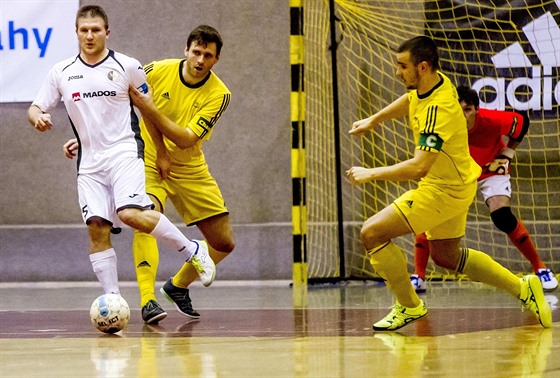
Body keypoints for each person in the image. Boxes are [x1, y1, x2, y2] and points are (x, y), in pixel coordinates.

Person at [346, 35, 551, 331]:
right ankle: (524, 289)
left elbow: (418, 167)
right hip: (458, 184)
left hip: (441, 191)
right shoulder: (436, 82)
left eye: (403, 67)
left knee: (372, 234)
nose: (398, 72)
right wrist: (374, 120)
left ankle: (408, 305)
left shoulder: (438, 111)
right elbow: (411, 99)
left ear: (423, 67)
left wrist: (371, 173)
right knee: (446, 256)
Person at [28, 5, 216, 301]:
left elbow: (148, 112)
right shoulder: (61, 72)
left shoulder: (127, 66)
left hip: (124, 153)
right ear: (76, 33)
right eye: (84, 30)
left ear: (107, 32)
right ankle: (113, 300)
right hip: (89, 163)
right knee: (97, 228)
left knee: (130, 214)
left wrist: (162, 152)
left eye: (96, 30)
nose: (89, 36)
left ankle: (192, 249)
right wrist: (38, 117)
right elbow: (37, 106)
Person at [64, 25, 234, 324]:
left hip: (189, 166)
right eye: (196, 52)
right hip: (145, 156)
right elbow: (115, 103)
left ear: (216, 59)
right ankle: (148, 301)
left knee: (223, 243)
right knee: (144, 216)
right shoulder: (155, 70)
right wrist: (89, 138)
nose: (200, 60)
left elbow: (185, 138)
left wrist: (149, 108)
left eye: (208, 55)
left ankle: (177, 286)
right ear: (186, 50)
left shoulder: (219, 94)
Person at [410, 86, 558, 293]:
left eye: (468, 109)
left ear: (477, 110)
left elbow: (522, 123)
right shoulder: (441, 126)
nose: (463, 114)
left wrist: (508, 153)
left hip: (490, 169)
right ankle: (419, 276)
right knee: (428, 217)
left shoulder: (493, 120)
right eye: (458, 109)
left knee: (502, 217)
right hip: (457, 175)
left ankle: (540, 268)